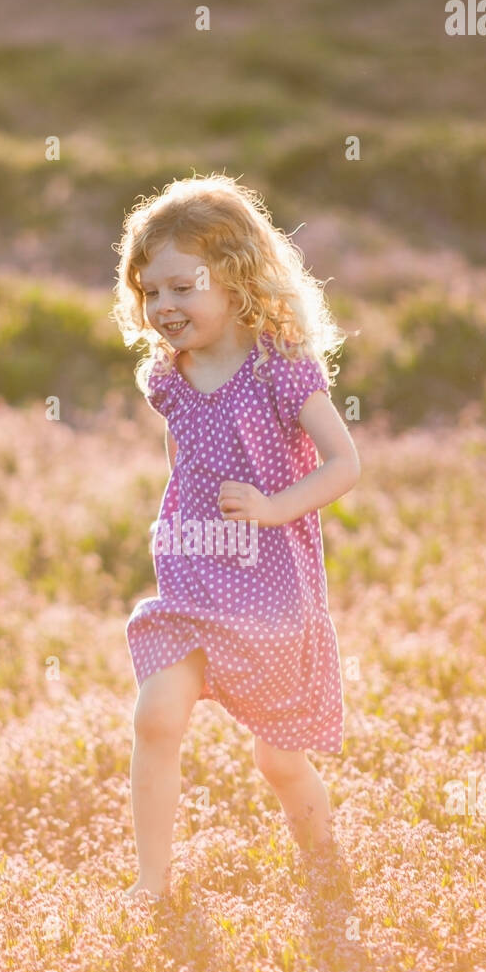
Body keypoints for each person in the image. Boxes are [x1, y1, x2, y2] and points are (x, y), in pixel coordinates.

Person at [111, 174, 360, 903]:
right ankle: (151, 885)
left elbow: (346, 464)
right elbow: (182, 458)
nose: (164, 307)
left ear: (236, 278)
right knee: (156, 716)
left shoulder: (282, 369)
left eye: (182, 288)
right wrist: (179, 522)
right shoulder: (172, 375)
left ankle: (326, 868)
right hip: (194, 582)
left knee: (278, 762)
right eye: (149, 292)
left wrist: (275, 508)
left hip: (273, 593)